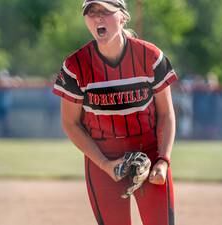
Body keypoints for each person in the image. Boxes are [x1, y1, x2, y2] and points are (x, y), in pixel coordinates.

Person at [52, 1, 177, 224]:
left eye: (105, 12)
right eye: (91, 13)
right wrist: (104, 164)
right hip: (102, 158)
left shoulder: (150, 56)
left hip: (149, 153)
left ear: (122, 17)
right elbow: (70, 123)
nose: (97, 18)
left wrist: (163, 161)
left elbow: (166, 114)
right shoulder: (75, 66)